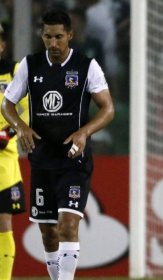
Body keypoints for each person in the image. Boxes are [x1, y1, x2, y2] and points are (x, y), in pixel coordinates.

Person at [1, 9, 114, 280]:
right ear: (42, 35)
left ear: (70, 35)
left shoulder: (88, 66)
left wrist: (84, 132)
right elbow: (8, 104)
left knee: (67, 225)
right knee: (48, 231)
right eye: (48, 36)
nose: (53, 43)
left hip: (74, 158)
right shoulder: (30, 65)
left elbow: (108, 109)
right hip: (41, 158)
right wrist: (21, 126)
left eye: (59, 37)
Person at [0, 22, 28, 280]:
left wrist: (12, 132)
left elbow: (28, 109)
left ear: (2, 45)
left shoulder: (14, 72)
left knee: (3, 221)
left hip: (4, 159)